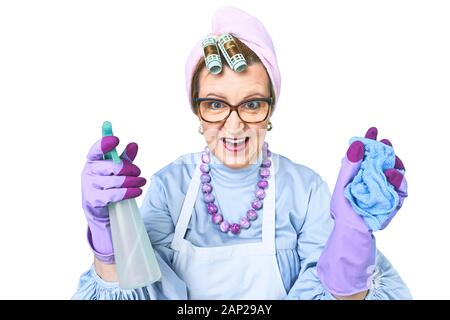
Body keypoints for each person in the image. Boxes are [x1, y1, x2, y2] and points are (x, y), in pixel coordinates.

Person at [73, 6, 411, 300]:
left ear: (270, 109)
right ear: (197, 111)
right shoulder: (168, 187)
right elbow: (140, 291)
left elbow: (336, 294)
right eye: (216, 104)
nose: (234, 126)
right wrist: (110, 238)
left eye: (251, 104)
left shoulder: (304, 190)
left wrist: (350, 248)